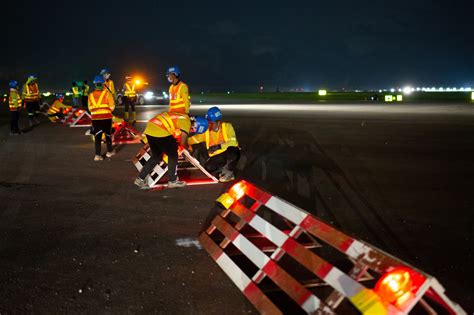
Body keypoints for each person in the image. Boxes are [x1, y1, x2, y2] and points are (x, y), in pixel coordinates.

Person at [134, 113, 208, 189]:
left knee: (156, 156)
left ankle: (140, 179)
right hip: (160, 130)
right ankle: (172, 180)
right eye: (194, 129)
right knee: (173, 154)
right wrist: (189, 150)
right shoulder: (187, 122)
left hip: (151, 128)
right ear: (195, 124)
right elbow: (183, 142)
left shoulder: (183, 117)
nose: (192, 131)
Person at [189, 106, 240, 182]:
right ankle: (223, 169)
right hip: (217, 156)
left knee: (232, 150)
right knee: (208, 167)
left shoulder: (227, 126)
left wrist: (218, 146)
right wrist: (182, 140)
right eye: (208, 123)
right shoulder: (206, 131)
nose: (209, 125)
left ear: (218, 121)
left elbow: (233, 142)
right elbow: (194, 139)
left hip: (228, 153)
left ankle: (229, 172)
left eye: (211, 123)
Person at [88, 75, 115, 161]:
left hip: (96, 119)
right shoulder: (108, 94)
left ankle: (97, 155)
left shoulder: (90, 95)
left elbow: (90, 108)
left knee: (97, 137)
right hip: (107, 118)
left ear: (95, 84)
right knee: (108, 135)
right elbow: (112, 107)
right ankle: (109, 152)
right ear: (103, 84)